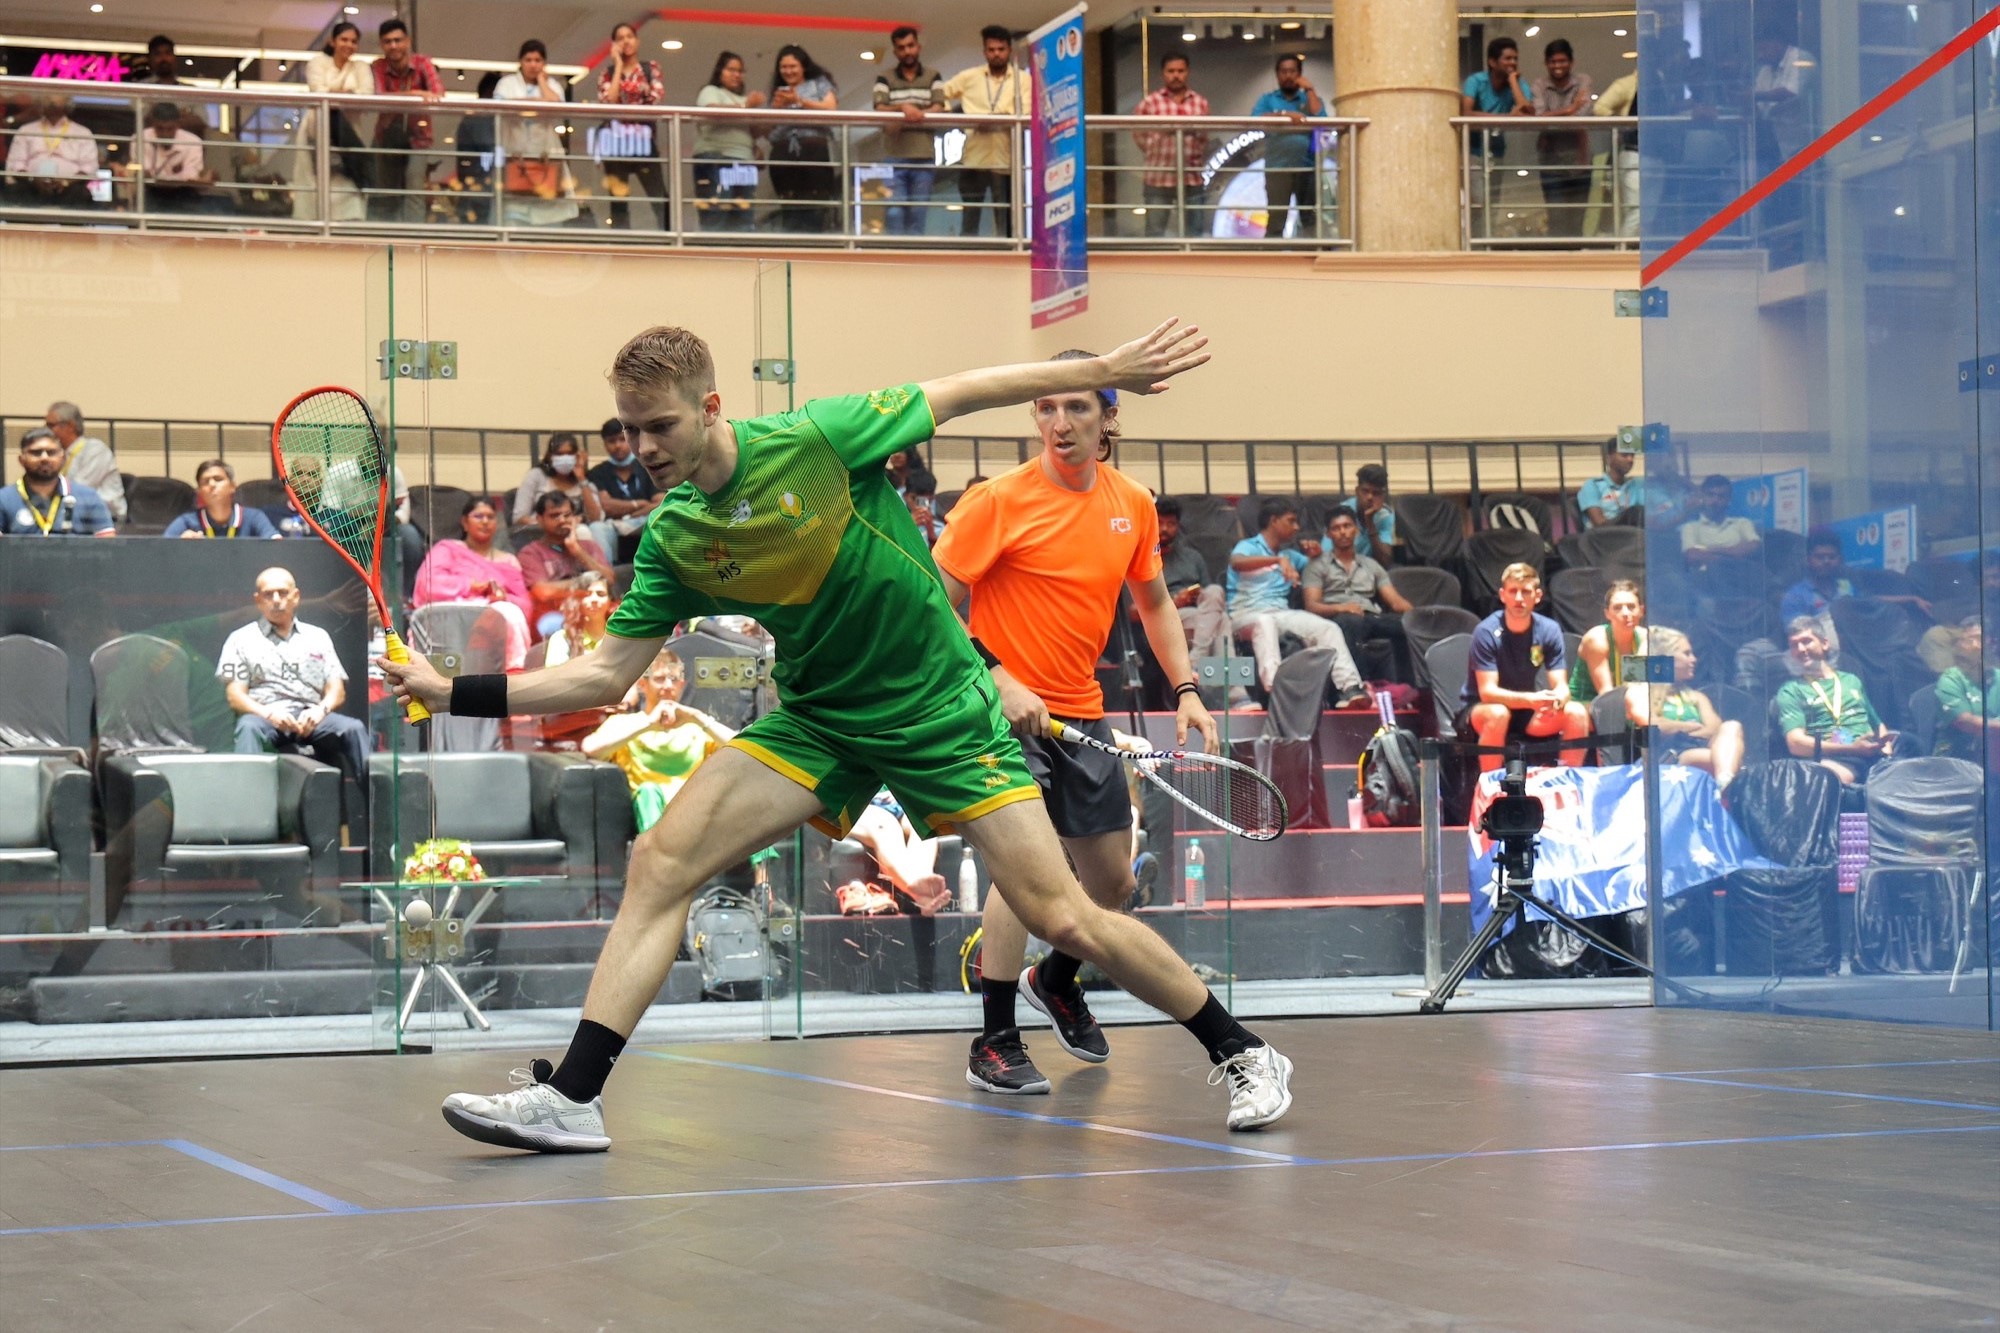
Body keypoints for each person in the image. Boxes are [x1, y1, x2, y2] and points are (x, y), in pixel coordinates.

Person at [380, 318, 1294, 1150]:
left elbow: (957, 389)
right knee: (661, 858)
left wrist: (1103, 370)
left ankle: (1242, 1050)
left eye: (659, 425)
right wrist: (450, 688)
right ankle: (574, 1098)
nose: (642, 447)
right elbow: (602, 675)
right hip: (822, 719)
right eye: (627, 429)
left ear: (710, 408)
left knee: (1064, 916)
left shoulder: (818, 440)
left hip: (940, 708)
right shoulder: (674, 537)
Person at [932, 348, 1220, 1093]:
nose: (1058, 423)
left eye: (1077, 408)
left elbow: (1153, 601)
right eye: (1046, 407)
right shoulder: (996, 500)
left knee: (1112, 886)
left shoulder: (1133, 503)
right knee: (1021, 872)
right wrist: (998, 676)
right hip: (999, 713)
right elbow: (929, 603)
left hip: (1081, 716)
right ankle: (994, 1037)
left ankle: (1055, 977)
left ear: (1109, 417)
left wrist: (1185, 687)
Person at [220, 566, 371, 792]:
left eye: (282, 593)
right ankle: (249, 810)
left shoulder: (318, 637)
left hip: (312, 716)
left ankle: (379, 809)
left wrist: (320, 710)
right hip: (265, 716)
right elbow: (235, 697)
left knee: (354, 728)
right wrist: (269, 714)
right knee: (248, 727)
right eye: (268, 594)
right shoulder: (240, 639)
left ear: (296, 597)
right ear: (258, 600)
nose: (276, 600)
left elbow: (336, 690)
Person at [1228, 498, 1365, 705]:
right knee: (1265, 623)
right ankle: (1276, 687)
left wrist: (1315, 554)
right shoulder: (1248, 546)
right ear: (1274, 521)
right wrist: (1277, 560)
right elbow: (1237, 563)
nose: (1297, 527)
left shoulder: (1291, 555)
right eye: (1291, 521)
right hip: (1245, 615)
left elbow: (1315, 567)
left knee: (1328, 628)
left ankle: (1350, 688)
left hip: (1281, 613)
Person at [583, 648, 736, 832]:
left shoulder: (695, 727)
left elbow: (744, 749)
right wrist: (648, 724)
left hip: (695, 813)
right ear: (642, 684)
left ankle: (761, 861)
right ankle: (656, 854)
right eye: (660, 679)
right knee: (648, 790)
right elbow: (590, 748)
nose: (668, 686)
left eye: (674, 679)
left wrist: (698, 717)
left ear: (682, 684)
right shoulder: (627, 724)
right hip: (653, 812)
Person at [1459, 562, 1589, 770]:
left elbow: (1561, 686)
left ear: (1537, 596)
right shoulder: (1486, 632)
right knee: (1498, 713)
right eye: (1513, 591)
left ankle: (1568, 785)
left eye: (1525, 592)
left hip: (1525, 709)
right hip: (1481, 710)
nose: (1519, 599)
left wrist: (1557, 700)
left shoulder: (1549, 629)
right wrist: (1532, 700)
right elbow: (1487, 692)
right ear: (1503, 595)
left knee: (1577, 712)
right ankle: (1490, 787)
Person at [410, 495, 534, 670]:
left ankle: (514, 677)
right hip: (450, 627)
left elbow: (525, 606)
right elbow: (427, 585)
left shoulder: (508, 561)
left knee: (509, 612)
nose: (485, 522)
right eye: (478, 516)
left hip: (493, 631)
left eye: (490, 517)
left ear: (496, 524)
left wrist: (502, 598)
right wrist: (472, 586)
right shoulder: (447, 549)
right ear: (464, 522)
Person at [1302, 505, 1413, 683]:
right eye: (1336, 528)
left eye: (1347, 526)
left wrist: (1416, 616)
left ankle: (1409, 689)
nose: (1343, 532)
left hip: (1370, 616)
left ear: (1357, 530)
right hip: (1336, 617)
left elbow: (1395, 602)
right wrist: (1342, 607)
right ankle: (1361, 685)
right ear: (1328, 534)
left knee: (1407, 625)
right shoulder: (1316, 566)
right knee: (1350, 621)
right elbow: (1311, 606)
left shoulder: (1371, 565)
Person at [1776, 615, 1892, 785]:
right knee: (1829, 779)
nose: (1801, 649)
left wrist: (1886, 754)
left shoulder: (1851, 680)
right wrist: (1851, 750)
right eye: (1794, 645)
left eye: (1807, 641)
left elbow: (1877, 725)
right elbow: (1796, 743)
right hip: (1834, 759)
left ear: (1824, 643)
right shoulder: (1791, 690)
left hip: (1873, 756)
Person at [1628, 628, 1743, 788]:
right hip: (1665, 757)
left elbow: (1714, 730)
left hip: (1701, 752)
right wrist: (1691, 726)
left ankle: (1725, 783)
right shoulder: (1639, 691)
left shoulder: (1696, 697)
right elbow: (1652, 725)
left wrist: (1676, 729)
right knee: (1725, 759)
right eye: (1686, 653)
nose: (1694, 659)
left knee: (1732, 726)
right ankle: (1727, 787)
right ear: (1666, 657)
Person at [942, 26, 1026, 238]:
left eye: (1001, 49)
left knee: (1007, 219)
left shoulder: (1022, 79)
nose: (996, 54)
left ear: (1009, 50)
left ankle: (1010, 260)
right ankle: (968, 260)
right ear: (984, 52)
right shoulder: (970, 77)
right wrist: (957, 119)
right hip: (974, 158)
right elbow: (940, 94)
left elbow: (1026, 112)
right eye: (991, 49)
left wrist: (996, 120)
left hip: (1006, 160)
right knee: (970, 218)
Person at [496, 40, 578, 228]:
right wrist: (537, 103)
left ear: (544, 63)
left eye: (538, 60)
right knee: (514, 223)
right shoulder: (506, 84)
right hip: (516, 161)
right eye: (528, 60)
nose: (533, 64)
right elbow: (503, 109)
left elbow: (557, 108)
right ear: (521, 61)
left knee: (549, 227)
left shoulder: (552, 85)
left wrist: (542, 82)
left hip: (545, 161)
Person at [1154, 496, 1231, 693]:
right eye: (1159, 522)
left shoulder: (1192, 557)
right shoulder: (1141, 557)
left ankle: (1196, 662)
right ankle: (1234, 691)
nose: (1165, 528)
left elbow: (1210, 596)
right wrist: (1175, 601)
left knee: (1215, 592)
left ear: (1178, 526)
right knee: (1222, 622)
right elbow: (1133, 612)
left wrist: (1195, 595)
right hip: (1166, 619)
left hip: (1198, 616)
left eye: (1171, 524)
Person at [872, 26, 944, 237]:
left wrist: (914, 115)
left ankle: (915, 258)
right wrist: (903, 108)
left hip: (924, 157)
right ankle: (894, 257)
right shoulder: (884, 77)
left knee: (918, 212)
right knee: (894, 211)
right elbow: (879, 109)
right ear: (895, 52)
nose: (907, 51)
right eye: (901, 48)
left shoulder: (933, 75)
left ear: (918, 47)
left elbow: (939, 106)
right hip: (894, 157)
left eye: (911, 46)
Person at [369, 17, 443, 223]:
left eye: (398, 40)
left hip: (418, 139)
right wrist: (415, 94)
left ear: (407, 41)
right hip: (386, 137)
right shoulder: (378, 66)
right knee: (386, 192)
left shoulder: (423, 63)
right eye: (388, 41)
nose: (394, 46)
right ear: (382, 45)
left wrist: (402, 98)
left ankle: (412, 240)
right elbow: (380, 97)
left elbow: (438, 93)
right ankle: (387, 240)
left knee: (414, 191)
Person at [1460, 37, 1535, 237]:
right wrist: (1507, 117)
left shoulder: (1517, 83)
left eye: (1515, 59)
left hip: (1497, 151)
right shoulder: (1475, 81)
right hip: (1472, 151)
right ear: (1493, 62)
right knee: (1479, 201)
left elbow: (1528, 113)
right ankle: (1475, 245)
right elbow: (1466, 113)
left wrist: (1513, 82)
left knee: (1492, 202)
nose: (1512, 63)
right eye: (1507, 59)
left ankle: (1486, 243)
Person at [594, 23, 666, 230]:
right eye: (620, 38)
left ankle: (671, 242)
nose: (626, 41)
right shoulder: (607, 73)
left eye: (630, 36)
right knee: (618, 201)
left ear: (637, 41)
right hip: (616, 144)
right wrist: (617, 66)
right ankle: (620, 246)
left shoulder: (649, 68)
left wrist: (623, 106)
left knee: (658, 196)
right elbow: (608, 103)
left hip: (644, 141)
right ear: (614, 44)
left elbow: (655, 99)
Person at [1134, 54, 1210, 239]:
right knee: (1154, 233)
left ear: (1187, 73)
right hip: (1158, 177)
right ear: (1163, 74)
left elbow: (1204, 137)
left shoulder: (1200, 103)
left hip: (1191, 177)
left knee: (1195, 233)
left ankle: (1194, 268)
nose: (1176, 75)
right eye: (1171, 71)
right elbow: (1138, 134)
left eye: (1180, 71)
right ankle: (1153, 268)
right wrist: (1155, 151)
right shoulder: (1150, 103)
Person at [518, 491, 614, 639]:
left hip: (596, 608)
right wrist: (585, 582)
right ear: (539, 519)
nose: (562, 520)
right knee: (552, 625)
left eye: (567, 515)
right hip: (556, 612)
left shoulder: (588, 547)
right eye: (554, 516)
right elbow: (542, 591)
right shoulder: (531, 553)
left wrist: (577, 550)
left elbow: (609, 579)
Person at [1250, 55, 1325, 240]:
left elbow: (1322, 119)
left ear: (1299, 74)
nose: (1288, 76)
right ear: (1277, 75)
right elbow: (1255, 120)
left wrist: (1309, 89)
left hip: (1307, 168)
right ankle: (1270, 264)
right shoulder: (1268, 99)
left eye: (1292, 71)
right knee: (1276, 220)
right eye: (1283, 71)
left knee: (1310, 218)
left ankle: (1312, 260)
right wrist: (1285, 115)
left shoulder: (1309, 98)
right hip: (1277, 168)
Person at [766, 45, 839, 233]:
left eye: (793, 66)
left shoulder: (819, 83)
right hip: (783, 152)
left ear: (803, 66)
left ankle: (815, 246)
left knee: (816, 202)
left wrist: (799, 102)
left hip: (813, 149)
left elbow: (831, 109)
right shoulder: (778, 91)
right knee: (788, 203)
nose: (788, 71)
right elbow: (769, 131)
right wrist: (775, 110)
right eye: (784, 67)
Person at [690, 51, 763, 232]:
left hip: (744, 162)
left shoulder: (745, 100)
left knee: (744, 216)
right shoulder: (710, 91)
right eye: (731, 70)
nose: (736, 75)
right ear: (720, 72)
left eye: (740, 71)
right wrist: (747, 106)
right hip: (716, 157)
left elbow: (754, 132)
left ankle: (740, 257)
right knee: (717, 214)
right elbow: (712, 112)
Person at [1, 427, 116, 537]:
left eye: (51, 452)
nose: (44, 458)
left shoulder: (90, 497)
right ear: (22, 460)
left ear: (63, 458)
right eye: (36, 453)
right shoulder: (3, 498)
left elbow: (108, 547)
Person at [1532, 39, 1594, 239]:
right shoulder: (1540, 85)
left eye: (1562, 61)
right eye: (1553, 62)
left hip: (1580, 160)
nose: (1557, 66)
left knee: (1577, 217)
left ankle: (1577, 268)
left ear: (1571, 62)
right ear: (1546, 63)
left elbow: (1581, 118)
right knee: (1556, 216)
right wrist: (1569, 110)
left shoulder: (1583, 81)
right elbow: (1539, 119)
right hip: (1550, 161)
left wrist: (1556, 118)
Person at [305, 21, 371, 198]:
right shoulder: (318, 63)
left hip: (350, 129)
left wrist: (335, 94)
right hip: (319, 127)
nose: (349, 45)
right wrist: (347, 94)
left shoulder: (361, 67)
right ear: (332, 41)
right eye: (344, 39)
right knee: (322, 179)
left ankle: (361, 175)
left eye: (353, 41)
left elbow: (367, 95)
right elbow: (317, 91)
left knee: (347, 189)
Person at [4, 95, 99, 209]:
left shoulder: (82, 132)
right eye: (48, 100)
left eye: (55, 102)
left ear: (67, 105)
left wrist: (65, 182)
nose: (51, 104)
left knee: (80, 193)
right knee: (17, 190)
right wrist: (34, 180)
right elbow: (16, 164)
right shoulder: (26, 130)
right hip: (31, 186)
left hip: (69, 187)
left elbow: (89, 167)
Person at [588, 417, 661, 563]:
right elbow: (607, 506)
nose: (617, 446)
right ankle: (607, 575)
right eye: (611, 441)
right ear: (605, 444)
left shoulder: (646, 466)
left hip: (644, 519)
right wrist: (638, 504)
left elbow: (659, 502)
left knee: (660, 517)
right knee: (597, 527)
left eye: (622, 439)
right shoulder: (598, 472)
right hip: (614, 524)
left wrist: (633, 512)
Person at [1568, 578, 1647, 708]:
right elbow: (1607, 697)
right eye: (1617, 608)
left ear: (1641, 611)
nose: (1626, 613)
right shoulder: (1597, 639)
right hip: (1588, 704)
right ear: (1607, 614)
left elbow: (1649, 688)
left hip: (1629, 706)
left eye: (1631, 607)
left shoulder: (1646, 638)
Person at [43, 401, 125, 524]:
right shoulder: (60, 454)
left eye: (51, 425)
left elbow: (79, 490)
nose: (46, 431)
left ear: (70, 426)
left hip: (105, 517)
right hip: (73, 514)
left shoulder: (95, 450)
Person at [514, 432, 608, 532]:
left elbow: (596, 519)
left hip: (579, 534)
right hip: (540, 533)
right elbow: (519, 518)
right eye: (559, 454)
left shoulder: (585, 481)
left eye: (569, 454)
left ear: (577, 456)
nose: (565, 458)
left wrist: (581, 478)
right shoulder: (536, 476)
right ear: (550, 456)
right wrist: (553, 524)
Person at [1933, 621, 2000, 762]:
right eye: (1968, 640)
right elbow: (1965, 722)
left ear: (1992, 643)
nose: (1975, 646)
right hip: (1957, 758)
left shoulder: (1998, 676)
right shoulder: (1951, 679)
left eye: (1980, 639)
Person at [163, 459, 281, 538]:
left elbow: (276, 543)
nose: (212, 484)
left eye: (218, 479)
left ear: (232, 486)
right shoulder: (187, 521)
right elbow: (161, 550)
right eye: (205, 482)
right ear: (199, 491)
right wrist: (178, 545)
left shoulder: (254, 517)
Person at [140, 101, 216, 213]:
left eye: (170, 129)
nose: (165, 134)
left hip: (185, 196)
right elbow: (144, 173)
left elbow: (191, 177)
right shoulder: (140, 139)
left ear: (178, 125)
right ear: (153, 124)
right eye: (160, 128)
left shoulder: (193, 141)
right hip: (151, 195)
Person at [1678, 473, 1762, 573]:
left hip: (1740, 577)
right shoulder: (1690, 527)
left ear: (1728, 499)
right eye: (1710, 495)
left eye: (1721, 496)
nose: (1715, 500)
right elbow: (1692, 557)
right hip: (1705, 582)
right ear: (1702, 497)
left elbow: (1754, 547)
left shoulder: (1742, 523)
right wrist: (1733, 552)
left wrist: (1710, 550)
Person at [1337, 463, 1399, 562]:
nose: (1370, 497)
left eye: (1376, 493)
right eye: (1365, 491)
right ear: (1357, 492)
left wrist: (1370, 523)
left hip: (1370, 571)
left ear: (1382, 496)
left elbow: (1385, 561)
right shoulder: (1341, 512)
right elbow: (1327, 555)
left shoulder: (1385, 515)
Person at [1578, 436, 1644, 528]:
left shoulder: (1636, 484)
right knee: (1635, 512)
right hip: (1605, 538)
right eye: (1624, 455)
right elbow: (1599, 523)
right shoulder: (1593, 485)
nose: (1630, 459)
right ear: (1609, 458)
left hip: (1634, 536)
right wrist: (1628, 517)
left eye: (1632, 455)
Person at [902, 467, 945, 546]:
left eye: (925, 500)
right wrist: (908, 527)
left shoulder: (940, 526)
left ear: (932, 498)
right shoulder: (894, 519)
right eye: (914, 498)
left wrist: (931, 534)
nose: (918, 505)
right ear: (905, 496)